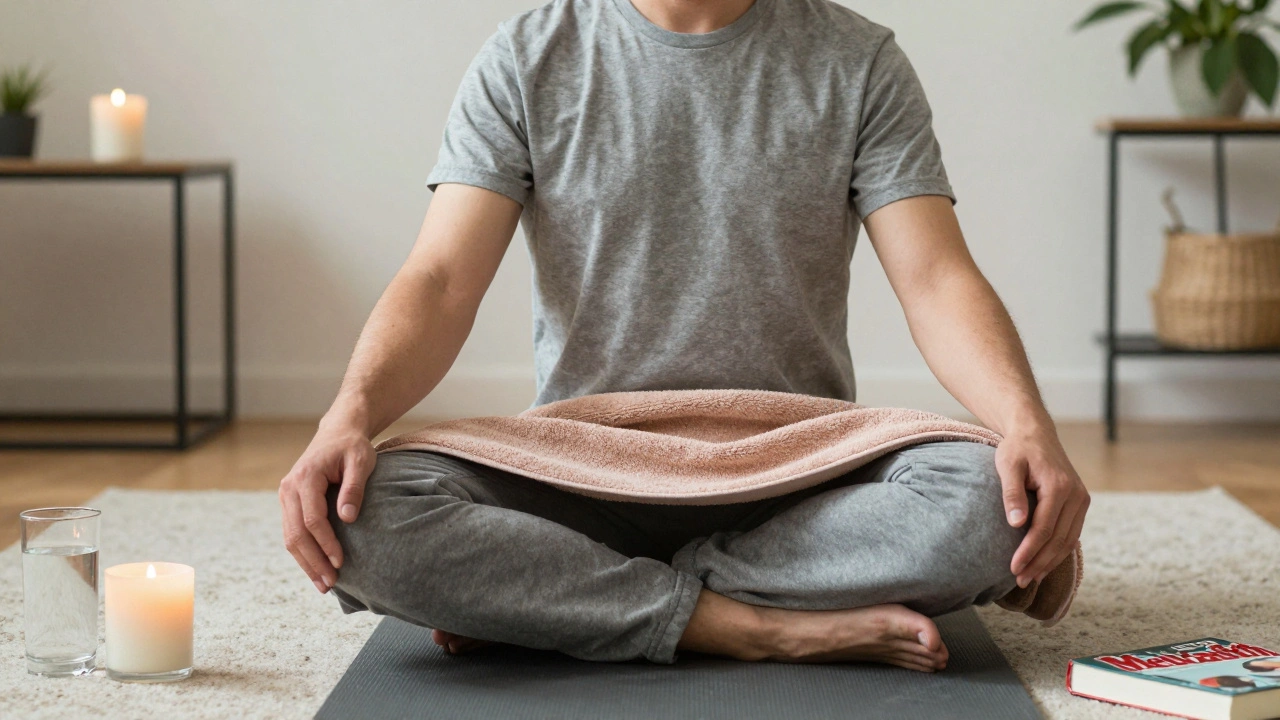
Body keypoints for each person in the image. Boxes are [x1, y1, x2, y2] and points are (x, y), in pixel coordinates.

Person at [278, 0, 1090, 672]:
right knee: (358, 511)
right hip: (581, 471)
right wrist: (347, 414)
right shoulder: (526, 55)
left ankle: (572, 603)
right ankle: (748, 624)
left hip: (800, 468)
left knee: (995, 503)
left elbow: (936, 279)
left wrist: (1028, 426)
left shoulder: (859, 59)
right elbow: (442, 280)